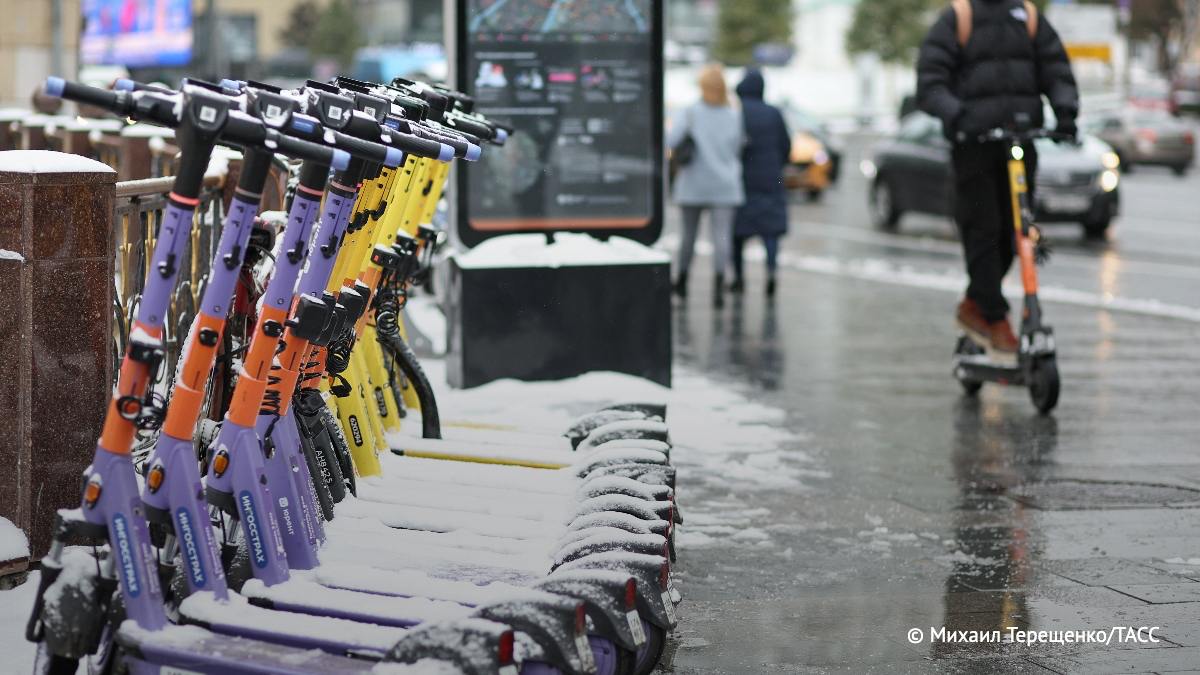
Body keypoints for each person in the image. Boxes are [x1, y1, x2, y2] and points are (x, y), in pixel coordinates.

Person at [916, 0, 1078, 358]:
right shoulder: (959, 17)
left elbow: (1056, 68)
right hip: (974, 146)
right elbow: (930, 83)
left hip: (1020, 142)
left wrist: (1065, 111)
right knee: (983, 229)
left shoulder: (1029, 17)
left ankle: (976, 303)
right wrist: (958, 115)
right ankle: (993, 314)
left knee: (1017, 231)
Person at [668, 64, 745, 308]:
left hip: (693, 183)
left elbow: (671, 141)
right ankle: (719, 286)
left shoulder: (689, 112)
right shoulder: (733, 115)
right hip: (725, 184)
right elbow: (737, 147)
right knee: (721, 238)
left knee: (688, 236)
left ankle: (681, 282)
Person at [731, 69, 791, 298]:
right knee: (771, 230)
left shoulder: (736, 112)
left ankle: (738, 277)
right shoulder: (774, 113)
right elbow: (786, 146)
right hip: (771, 178)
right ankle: (771, 272)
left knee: (738, 231)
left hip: (742, 178)